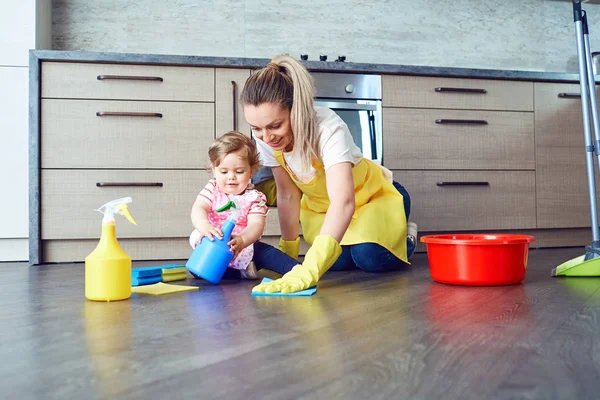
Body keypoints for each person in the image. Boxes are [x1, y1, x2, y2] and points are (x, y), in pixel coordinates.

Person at [240, 55, 418, 294]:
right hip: (325, 207)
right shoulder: (266, 139)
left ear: (297, 111)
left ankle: (405, 236)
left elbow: (344, 202)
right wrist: (288, 251)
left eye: (275, 126)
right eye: (256, 128)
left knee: (368, 257)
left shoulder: (328, 129)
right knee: (338, 263)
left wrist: (310, 270)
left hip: (370, 197)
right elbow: (288, 195)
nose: (266, 137)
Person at [189, 131, 302, 280]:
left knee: (264, 252)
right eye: (223, 171)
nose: (231, 177)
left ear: (251, 171)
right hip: (212, 244)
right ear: (213, 170)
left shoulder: (254, 198)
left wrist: (243, 240)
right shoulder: (212, 189)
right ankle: (239, 272)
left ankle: (296, 269)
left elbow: (256, 224)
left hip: (243, 246)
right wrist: (205, 226)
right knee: (197, 270)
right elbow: (199, 208)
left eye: (239, 171)